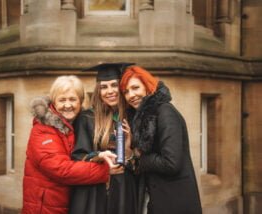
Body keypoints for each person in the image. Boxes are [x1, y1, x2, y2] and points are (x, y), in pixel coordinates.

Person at [22, 75, 118, 214]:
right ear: (53, 102)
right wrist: (106, 171)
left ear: (81, 101)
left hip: (63, 203)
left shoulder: (75, 125)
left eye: (73, 99)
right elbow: (62, 170)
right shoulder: (43, 130)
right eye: (62, 100)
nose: (68, 105)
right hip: (45, 207)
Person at [120, 66, 202, 214]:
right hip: (156, 199)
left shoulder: (165, 112)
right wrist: (130, 151)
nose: (131, 95)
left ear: (147, 86)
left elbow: (171, 163)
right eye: (126, 92)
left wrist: (138, 155)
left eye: (135, 88)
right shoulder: (141, 118)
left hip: (175, 201)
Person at [69, 63, 137, 214]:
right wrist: (99, 156)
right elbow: (78, 157)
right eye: (104, 87)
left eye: (114, 85)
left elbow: (141, 165)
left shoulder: (132, 117)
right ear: (98, 91)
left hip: (124, 191)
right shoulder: (87, 118)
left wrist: (128, 151)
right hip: (95, 192)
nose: (110, 91)